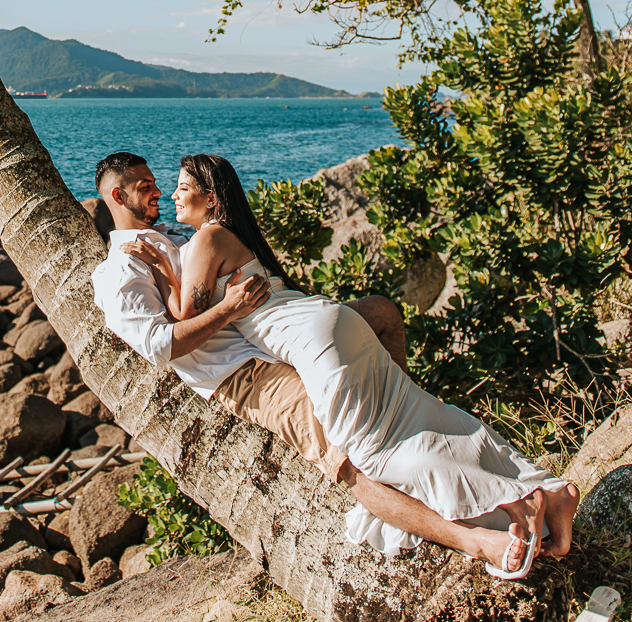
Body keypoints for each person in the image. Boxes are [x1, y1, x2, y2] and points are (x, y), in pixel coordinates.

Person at [107, 149, 577, 576]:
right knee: (415, 410)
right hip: (321, 320)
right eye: (150, 185)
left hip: (302, 347)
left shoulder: (194, 240)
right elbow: (165, 338)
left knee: (367, 460)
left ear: (210, 200)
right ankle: (539, 492)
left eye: (175, 186)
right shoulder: (152, 254)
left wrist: (172, 275)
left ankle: (483, 534)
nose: (165, 193)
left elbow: (181, 320)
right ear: (116, 195)